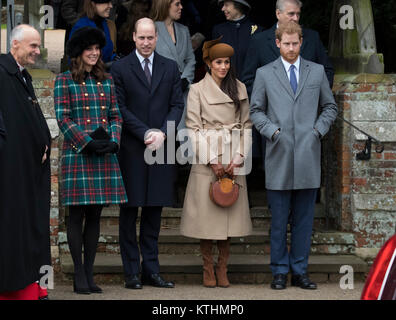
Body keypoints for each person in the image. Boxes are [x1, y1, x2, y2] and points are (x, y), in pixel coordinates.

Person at [249, 21, 338, 290]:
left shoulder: (317, 71)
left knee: (303, 222)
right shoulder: (264, 74)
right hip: (278, 155)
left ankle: (299, 271)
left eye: (294, 43)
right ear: (277, 43)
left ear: (301, 42)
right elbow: (255, 111)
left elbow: (330, 107)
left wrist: (317, 131)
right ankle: (278, 271)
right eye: (285, 43)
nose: (290, 48)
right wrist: (272, 131)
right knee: (278, 222)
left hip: (309, 157)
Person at [111, 17, 184, 289]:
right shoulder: (119, 68)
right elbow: (120, 108)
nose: (145, 42)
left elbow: (177, 105)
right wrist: (145, 132)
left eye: (150, 38)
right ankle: (131, 272)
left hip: (162, 149)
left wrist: (163, 132)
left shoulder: (170, 66)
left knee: (154, 213)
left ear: (157, 38)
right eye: (141, 38)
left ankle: (151, 270)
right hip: (132, 148)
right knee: (129, 213)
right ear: (133, 37)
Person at [54, 26, 128, 294]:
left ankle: (89, 272)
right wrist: (86, 142)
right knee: (76, 215)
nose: (95, 53)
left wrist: (113, 141)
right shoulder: (64, 80)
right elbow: (63, 117)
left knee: (96, 214)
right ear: (78, 53)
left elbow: (115, 116)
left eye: (97, 49)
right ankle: (78, 275)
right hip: (79, 154)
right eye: (90, 49)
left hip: (103, 154)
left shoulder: (106, 80)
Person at [180, 38, 253, 288]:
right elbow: (193, 127)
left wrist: (240, 156)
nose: (223, 66)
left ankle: (223, 268)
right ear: (209, 63)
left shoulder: (239, 88)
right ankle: (207, 268)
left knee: (228, 215)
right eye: (219, 62)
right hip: (206, 157)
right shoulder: (197, 90)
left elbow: (246, 126)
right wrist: (211, 159)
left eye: (227, 62)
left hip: (233, 157)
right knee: (207, 219)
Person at [0, 25, 51, 300]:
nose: (37, 51)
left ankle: (32, 287)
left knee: (30, 232)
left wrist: (40, 145)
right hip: (11, 173)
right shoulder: (1, 74)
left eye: (38, 46)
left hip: (28, 173)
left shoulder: (21, 75)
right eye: (32, 46)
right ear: (15, 44)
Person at [242, 0, 334, 95]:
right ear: (278, 14)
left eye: (298, 14)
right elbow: (249, 79)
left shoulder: (312, 37)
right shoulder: (259, 41)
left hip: (308, 106)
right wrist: (269, 100)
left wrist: (315, 96)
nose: (295, 18)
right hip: (272, 108)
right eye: (291, 14)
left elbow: (327, 71)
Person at [151, 0, 196, 130]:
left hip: (183, 90)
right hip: (161, 91)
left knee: (184, 136)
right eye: (177, 4)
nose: (181, 7)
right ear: (165, 4)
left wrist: (185, 80)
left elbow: (190, 59)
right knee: (164, 135)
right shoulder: (151, 28)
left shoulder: (183, 30)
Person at [212, 0, 263, 79]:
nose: (222, 9)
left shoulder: (257, 30)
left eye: (226, 5)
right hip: (226, 86)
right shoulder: (219, 30)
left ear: (238, 6)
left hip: (251, 86)